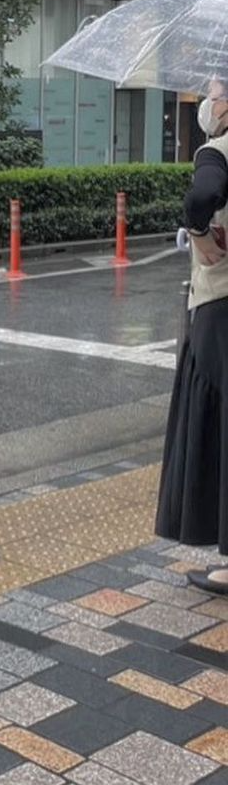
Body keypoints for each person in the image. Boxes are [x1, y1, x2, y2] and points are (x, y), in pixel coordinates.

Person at [159, 77, 228, 594]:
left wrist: (201, 236)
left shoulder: (217, 150)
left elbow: (202, 196)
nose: (208, 101)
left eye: (214, 91)